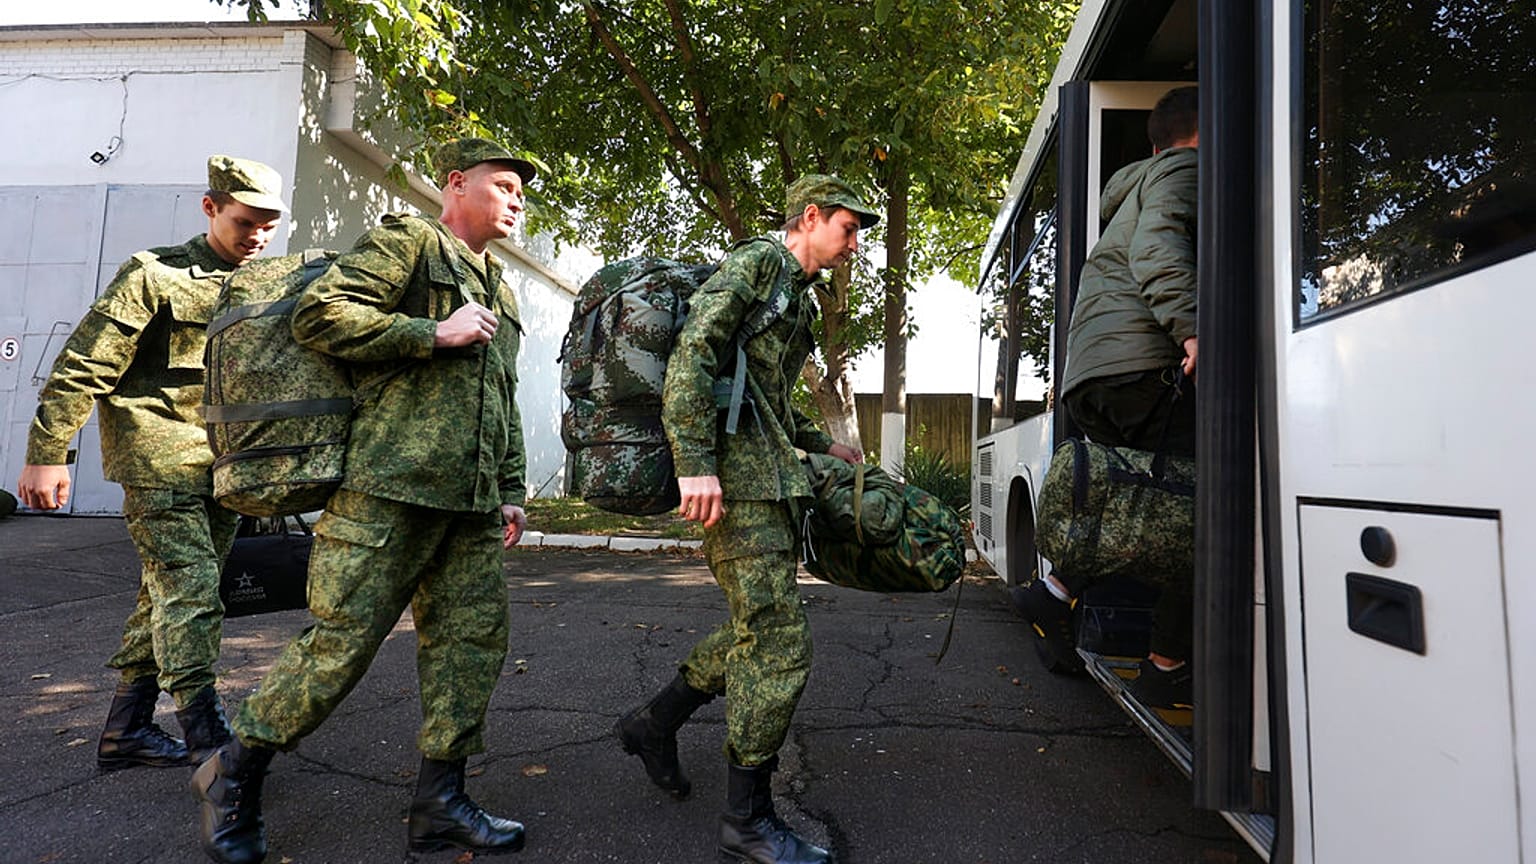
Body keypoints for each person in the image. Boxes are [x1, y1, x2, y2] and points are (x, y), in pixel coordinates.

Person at [190, 137, 534, 864]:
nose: (515, 201)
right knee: (338, 649)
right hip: (386, 491)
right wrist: (429, 331)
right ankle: (234, 773)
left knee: (470, 651)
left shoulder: (496, 286)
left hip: (468, 506)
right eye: (503, 186)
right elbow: (320, 314)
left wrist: (508, 489)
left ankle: (440, 802)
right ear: (457, 185)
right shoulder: (410, 244)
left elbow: (496, 395)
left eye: (520, 193)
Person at [616, 174, 875, 864]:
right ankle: (747, 821)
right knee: (780, 641)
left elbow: (765, 396)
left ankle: (653, 722)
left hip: (768, 480)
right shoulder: (758, 263)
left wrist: (826, 444)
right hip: (734, 484)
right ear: (811, 216)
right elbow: (693, 351)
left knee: (753, 628)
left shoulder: (796, 294)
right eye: (849, 229)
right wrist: (694, 460)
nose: (855, 245)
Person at [16, 156, 286, 771]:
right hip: (158, 456)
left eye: (269, 225)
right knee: (191, 589)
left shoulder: (260, 283)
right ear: (210, 207)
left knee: (164, 594)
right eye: (247, 222)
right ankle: (205, 732)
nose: (258, 237)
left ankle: (126, 730)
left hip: (226, 463)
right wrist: (47, 454)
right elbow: (84, 364)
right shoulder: (152, 273)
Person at [1013, 85, 1200, 710]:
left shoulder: (1133, 189)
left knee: (1137, 503)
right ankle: (1167, 663)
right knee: (1207, 507)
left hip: (1092, 375)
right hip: (1141, 366)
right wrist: (1194, 328)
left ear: (1150, 142)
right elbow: (1159, 251)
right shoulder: (1185, 169)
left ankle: (1056, 592)